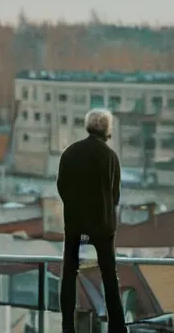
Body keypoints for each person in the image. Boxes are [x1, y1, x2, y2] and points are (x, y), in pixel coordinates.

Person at [57, 108, 126, 333]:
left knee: (69, 272)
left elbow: (62, 188)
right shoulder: (110, 157)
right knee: (109, 275)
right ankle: (117, 326)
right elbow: (115, 195)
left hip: (75, 222)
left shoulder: (70, 153)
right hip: (103, 225)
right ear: (107, 130)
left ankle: (67, 326)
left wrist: (75, 209)